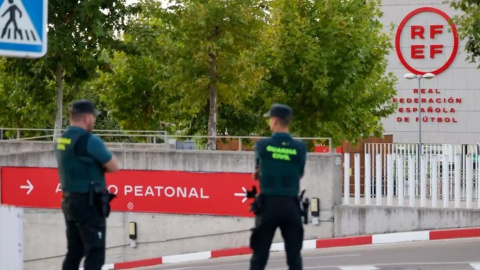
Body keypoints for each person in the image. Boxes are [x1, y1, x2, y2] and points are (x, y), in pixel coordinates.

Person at [55, 100, 119, 270]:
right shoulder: (90, 140)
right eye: (93, 117)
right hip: (88, 204)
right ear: (87, 118)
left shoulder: (61, 140)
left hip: (69, 202)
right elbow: (113, 166)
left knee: (75, 251)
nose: (94, 120)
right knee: (95, 253)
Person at [249, 103, 308, 270]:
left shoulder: (262, 145)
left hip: (268, 205)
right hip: (291, 205)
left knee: (259, 257)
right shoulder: (300, 147)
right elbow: (300, 173)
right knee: (294, 257)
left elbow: (257, 171)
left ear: (275, 121)